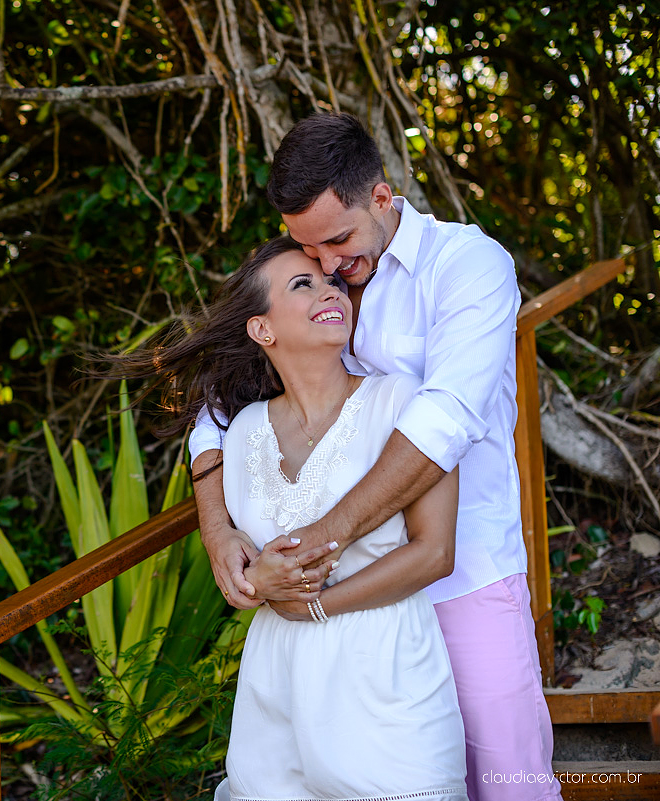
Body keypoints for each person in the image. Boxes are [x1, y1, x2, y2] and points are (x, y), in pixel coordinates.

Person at [190, 113, 562, 801]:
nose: (328, 266)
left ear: (383, 199)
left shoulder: (466, 266)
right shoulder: (321, 289)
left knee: (507, 783)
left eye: (337, 240)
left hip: (463, 574)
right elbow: (217, 415)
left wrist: (312, 549)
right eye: (310, 251)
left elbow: (443, 422)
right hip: (358, 621)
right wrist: (220, 532)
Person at [114, 236, 467, 799]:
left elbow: (434, 553)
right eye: (303, 284)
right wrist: (255, 581)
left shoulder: (401, 402)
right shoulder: (244, 429)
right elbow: (245, 570)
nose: (331, 290)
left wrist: (317, 605)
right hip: (275, 686)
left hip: (385, 674)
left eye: (333, 282)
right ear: (262, 330)